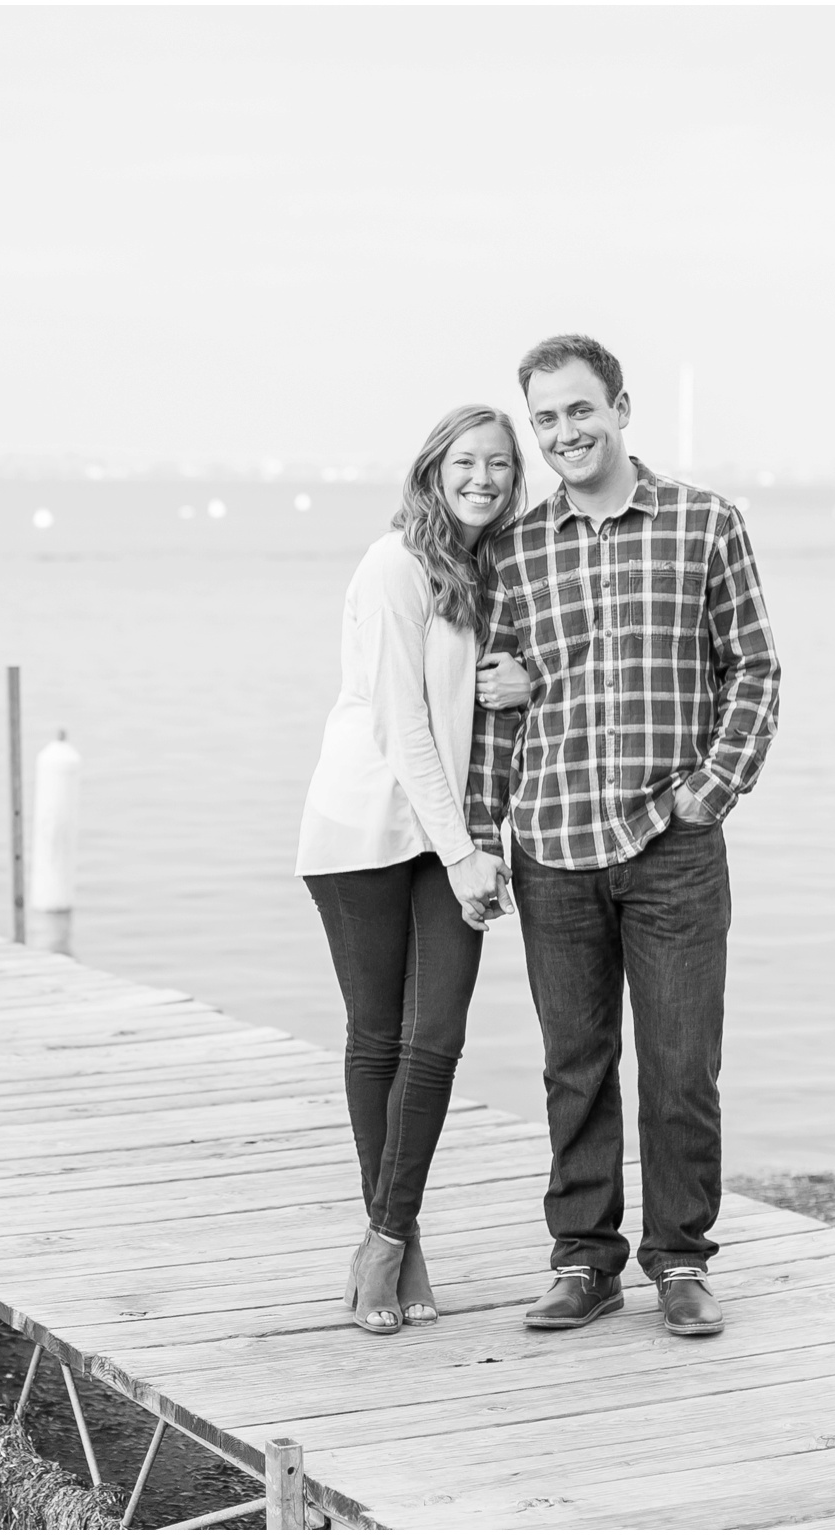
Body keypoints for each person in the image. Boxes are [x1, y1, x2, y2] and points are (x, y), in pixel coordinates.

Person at [466, 333, 781, 1335]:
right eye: (545, 418)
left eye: (578, 410)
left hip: (671, 845)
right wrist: (479, 836)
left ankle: (680, 1258)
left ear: (620, 407)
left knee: (682, 1064)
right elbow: (497, 710)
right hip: (551, 844)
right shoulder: (516, 550)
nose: (563, 432)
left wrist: (711, 790)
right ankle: (582, 1258)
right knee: (576, 1065)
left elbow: (755, 669)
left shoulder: (703, 521)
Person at [298, 404, 524, 1335]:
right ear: (433, 470)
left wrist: (529, 682)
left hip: (449, 833)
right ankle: (399, 1239)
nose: (484, 478)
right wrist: (467, 850)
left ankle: (385, 1235)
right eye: (467, 462)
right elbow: (403, 722)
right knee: (379, 1038)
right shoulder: (394, 564)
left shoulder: (490, 571)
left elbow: (493, 698)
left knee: (437, 1040)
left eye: (502, 467)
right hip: (364, 830)